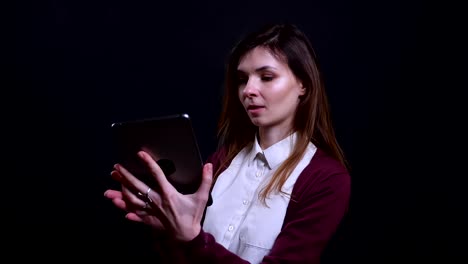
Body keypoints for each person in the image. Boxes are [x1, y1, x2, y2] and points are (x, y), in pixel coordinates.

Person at [104, 22, 351, 263]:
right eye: (243, 79)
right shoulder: (221, 162)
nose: (248, 90)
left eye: (266, 77)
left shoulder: (326, 179)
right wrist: (169, 229)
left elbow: (197, 245)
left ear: (303, 85)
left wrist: (193, 240)